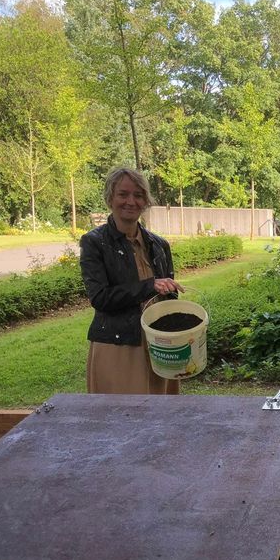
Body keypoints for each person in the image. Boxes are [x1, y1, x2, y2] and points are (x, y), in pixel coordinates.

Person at [80, 167, 184, 394]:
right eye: (123, 194)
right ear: (110, 198)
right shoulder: (94, 242)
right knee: (121, 411)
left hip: (158, 343)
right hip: (118, 346)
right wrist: (149, 286)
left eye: (138, 195)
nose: (131, 201)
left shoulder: (159, 244)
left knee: (161, 409)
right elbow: (100, 298)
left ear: (145, 201)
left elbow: (168, 298)